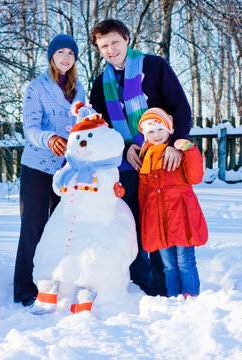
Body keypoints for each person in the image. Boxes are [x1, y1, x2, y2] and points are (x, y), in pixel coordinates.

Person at [89, 19, 192, 296]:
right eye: (104, 46)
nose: (111, 50)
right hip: (127, 165)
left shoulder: (155, 67)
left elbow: (180, 108)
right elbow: (102, 128)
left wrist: (177, 147)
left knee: (161, 220)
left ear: (126, 39)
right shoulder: (101, 84)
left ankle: (163, 285)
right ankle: (139, 283)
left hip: (161, 161)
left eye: (115, 42)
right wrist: (124, 148)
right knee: (131, 222)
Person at [14, 34, 86, 307]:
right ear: (52, 56)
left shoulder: (79, 90)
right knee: (33, 227)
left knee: (60, 229)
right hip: (37, 166)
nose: (66, 57)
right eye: (60, 52)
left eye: (71, 53)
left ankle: (53, 283)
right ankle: (24, 289)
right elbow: (30, 128)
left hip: (66, 169)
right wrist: (49, 139)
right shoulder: (36, 87)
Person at [137, 107, 208, 298]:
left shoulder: (179, 151)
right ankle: (174, 298)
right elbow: (143, 194)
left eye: (160, 129)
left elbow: (195, 177)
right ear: (145, 135)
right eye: (150, 131)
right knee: (168, 266)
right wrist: (146, 219)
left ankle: (191, 296)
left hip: (181, 216)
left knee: (185, 262)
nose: (156, 134)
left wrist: (190, 151)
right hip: (158, 220)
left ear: (169, 129)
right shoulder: (146, 157)